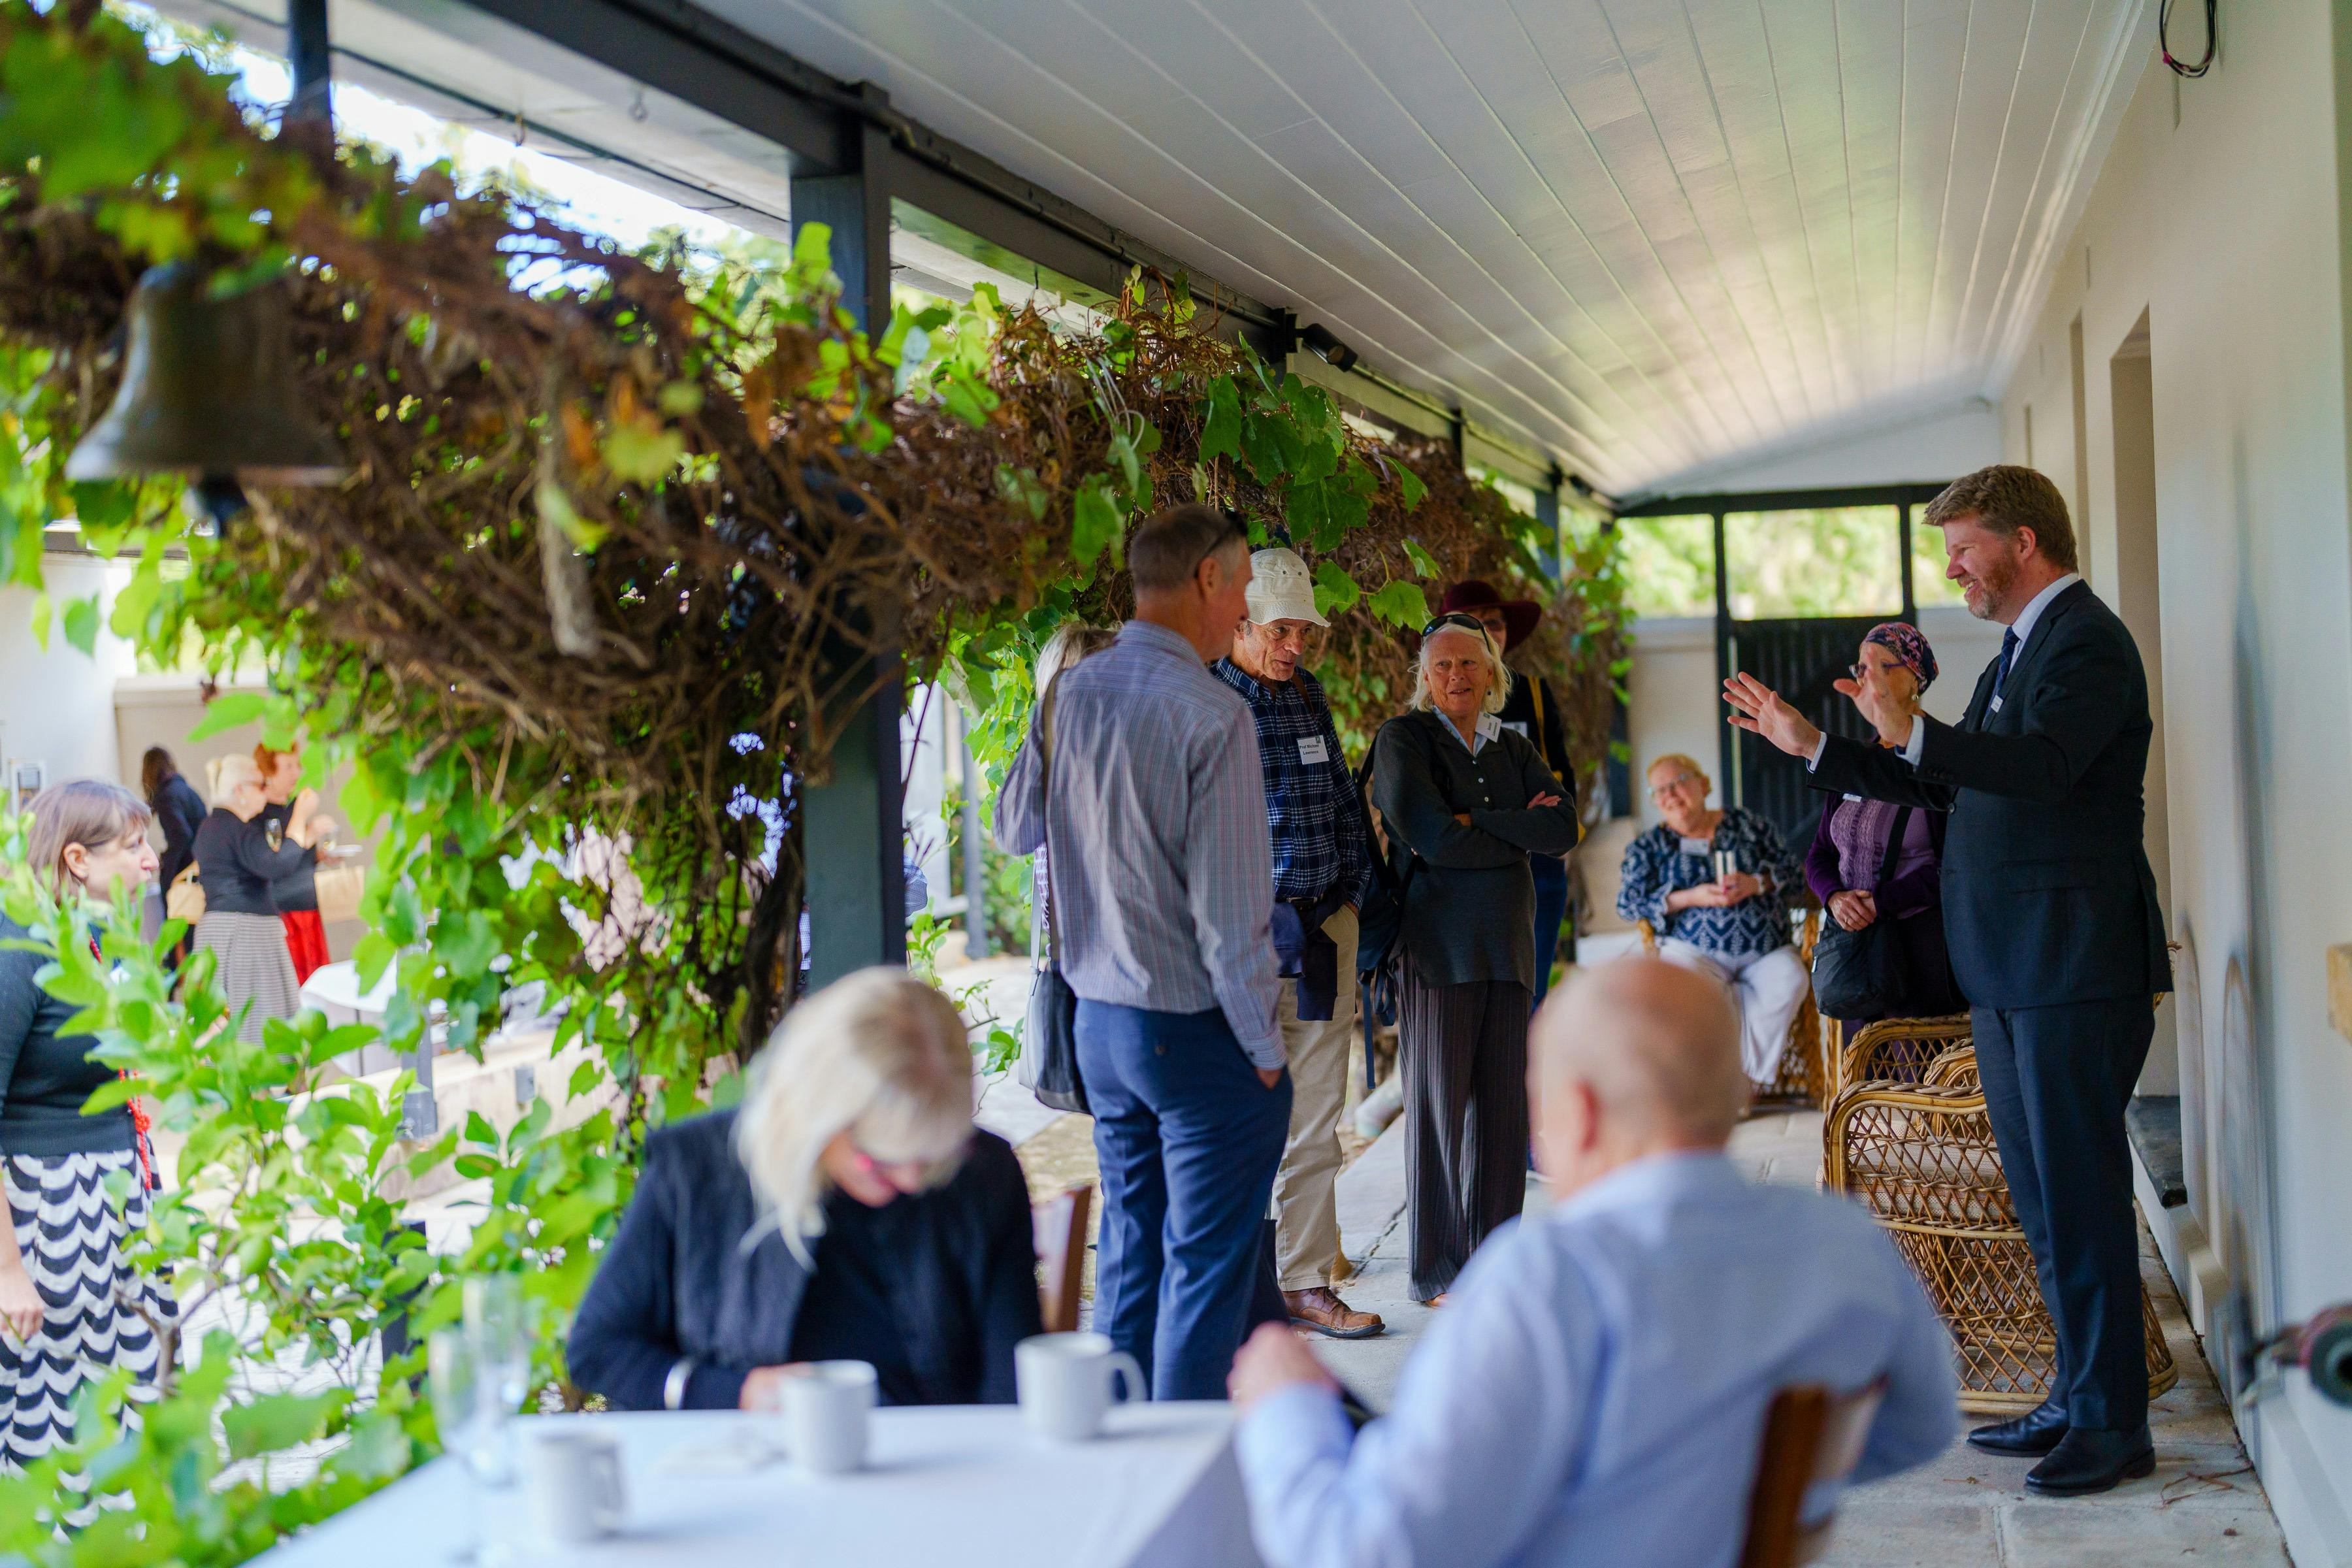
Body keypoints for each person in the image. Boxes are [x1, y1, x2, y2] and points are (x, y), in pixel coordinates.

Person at [1726, 464, 2170, 1497]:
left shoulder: (2087, 642)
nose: (1953, 569)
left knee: (2082, 1193)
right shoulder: (2019, 649)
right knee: (2043, 1200)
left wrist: (1913, 726)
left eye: (1963, 547)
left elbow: (2046, 770)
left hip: (2071, 962)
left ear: (2023, 541)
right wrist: (1813, 743)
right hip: (2016, 968)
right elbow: (1948, 776)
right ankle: (2077, 1388)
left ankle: (2114, 1426)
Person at [1227, 958, 1957, 1568]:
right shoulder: (1843, 1241)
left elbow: (1360, 1550)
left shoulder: (1546, 1277)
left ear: (1574, 1110)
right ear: (1736, 1091)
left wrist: (1286, 1407)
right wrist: (1731, 1483)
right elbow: (1922, 1426)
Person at [996, 503, 1288, 1400]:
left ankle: (1117, 1448)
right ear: (1206, 578)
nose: (1242, 606)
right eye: (1240, 583)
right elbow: (1230, 915)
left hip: (1102, 1031)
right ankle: (1187, 1476)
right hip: (1194, 1031)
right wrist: (1267, 1055)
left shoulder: (1068, 692)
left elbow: (1014, 829)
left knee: (1129, 1250)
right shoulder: (1213, 712)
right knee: (1202, 1270)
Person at [570, 968, 1041, 1410]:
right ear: (816, 1115)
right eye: (879, 1161)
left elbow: (1009, 1391)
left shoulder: (982, 1175)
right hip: (746, 1468)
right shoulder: (697, 1173)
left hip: (927, 1472)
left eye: (933, 1157)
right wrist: (737, 1393)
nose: (912, 1180)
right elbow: (598, 1348)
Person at [1369, 613, 1578, 1304]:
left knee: (1502, 1114)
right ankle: (1437, 1272)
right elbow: (1430, 837)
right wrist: (1509, 832)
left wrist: (1477, 823)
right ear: (1424, 679)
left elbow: (1560, 827)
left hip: (1509, 945)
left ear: (1493, 672)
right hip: (1437, 949)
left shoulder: (1511, 746)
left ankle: (1495, 1268)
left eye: (1469, 663)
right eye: (1442, 666)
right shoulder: (1405, 739)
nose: (1456, 675)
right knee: (1435, 1113)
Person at [1211, 547, 1382, 1341]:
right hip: (1243, 940)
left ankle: (1307, 1282)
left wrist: (1349, 895)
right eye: (1280, 631)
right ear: (1240, 625)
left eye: (1302, 633)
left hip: (1323, 933)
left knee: (1318, 1119)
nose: (1294, 647)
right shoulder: (1208, 702)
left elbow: (1347, 804)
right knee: (1242, 1120)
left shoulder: (1309, 695)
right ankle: (1241, 1290)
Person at [0, 781, 178, 1509]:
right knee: (59, 1418)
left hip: (122, 1203)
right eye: (133, 846)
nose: (151, 861)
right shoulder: (19, 949)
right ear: (76, 858)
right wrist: (8, 1270)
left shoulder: (106, 945)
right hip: (47, 1216)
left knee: (139, 1396)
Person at [1802, 624, 1965, 1037]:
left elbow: (1958, 867)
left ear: (1913, 677)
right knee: (1865, 1082)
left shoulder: (1945, 760)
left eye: (1879, 667)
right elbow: (1820, 854)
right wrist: (1835, 898)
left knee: (1919, 1082)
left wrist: (1881, 902)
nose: (1865, 679)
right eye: (1860, 668)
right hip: (1856, 949)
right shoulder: (1856, 763)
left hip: (1921, 952)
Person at [1615, 755, 1808, 1084]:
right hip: (1694, 951)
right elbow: (1628, 904)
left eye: (1678, 782)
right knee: (1688, 991)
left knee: (1791, 979)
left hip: (1766, 948)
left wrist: (1757, 883)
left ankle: (1745, 1080)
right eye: (1660, 790)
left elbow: (1796, 876)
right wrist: (1690, 897)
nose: (1670, 794)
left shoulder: (1750, 826)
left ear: (1704, 785)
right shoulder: (1648, 847)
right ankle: (1722, 1081)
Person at [1434, 580, 1576, 1001]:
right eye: (1473, 623)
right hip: (1472, 861)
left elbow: (1558, 775)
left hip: (1540, 858)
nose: (1487, 631)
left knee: (1532, 982)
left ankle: (1531, 1067)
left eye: (1494, 622)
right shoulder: (1439, 701)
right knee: (1483, 986)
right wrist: (1518, 811)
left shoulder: (1532, 691)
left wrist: (1554, 828)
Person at [191, 755, 319, 1045]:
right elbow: (278, 865)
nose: (267, 790)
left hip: (221, 928)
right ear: (239, 791)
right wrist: (299, 816)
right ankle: (263, 1087)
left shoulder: (213, 827)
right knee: (256, 1019)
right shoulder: (235, 828)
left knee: (227, 1017)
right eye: (261, 785)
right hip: (245, 930)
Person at [253, 743, 331, 985]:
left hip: (308, 909)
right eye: (288, 766)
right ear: (268, 772)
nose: (296, 773)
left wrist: (319, 855)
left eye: (297, 766)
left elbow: (296, 858)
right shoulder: (259, 814)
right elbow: (275, 863)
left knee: (316, 988)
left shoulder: (291, 807)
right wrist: (307, 833)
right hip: (283, 915)